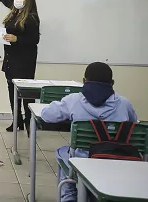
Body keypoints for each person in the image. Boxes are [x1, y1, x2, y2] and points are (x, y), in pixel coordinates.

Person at [41, 62, 137, 202]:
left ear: (84, 81)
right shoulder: (124, 103)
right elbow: (135, 126)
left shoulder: (74, 100)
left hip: (82, 162)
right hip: (118, 161)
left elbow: (46, 115)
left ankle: (69, 196)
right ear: (112, 83)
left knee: (62, 152)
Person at [0, 0, 40, 136]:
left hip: (25, 61)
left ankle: (30, 122)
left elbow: (34, 40)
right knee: (11, 89)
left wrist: (17, 39)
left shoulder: (31, 17)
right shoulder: (14, 12)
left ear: (28, 0)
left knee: (26, 93)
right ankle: (17, 121)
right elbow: (6, 0)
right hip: (10, 58)